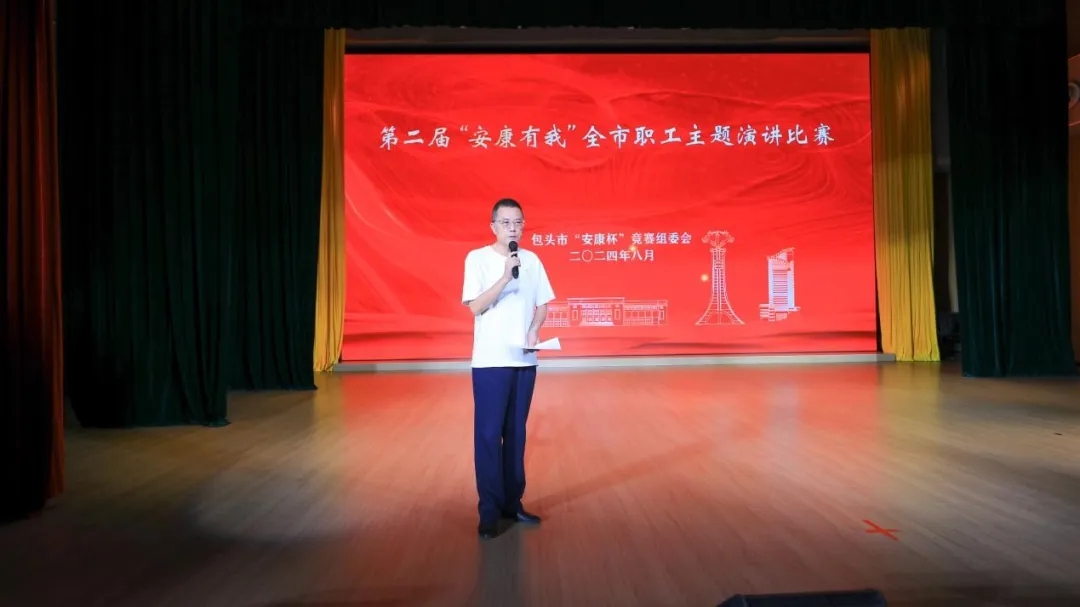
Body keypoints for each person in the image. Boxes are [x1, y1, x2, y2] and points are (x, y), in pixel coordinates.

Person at [461, 198, 555, 539]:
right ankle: (488, 512)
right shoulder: (477, 259)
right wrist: (504, 277)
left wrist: (534, 329)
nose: (513, 228)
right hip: (490, 362)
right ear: (493, 226)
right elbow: (475, 307)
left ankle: (512, 504)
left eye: (518, 222)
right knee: (489, 435)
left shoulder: (533, 260)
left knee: (516, 434)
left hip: (524, 361)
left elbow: (542, 304)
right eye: (506, 223)